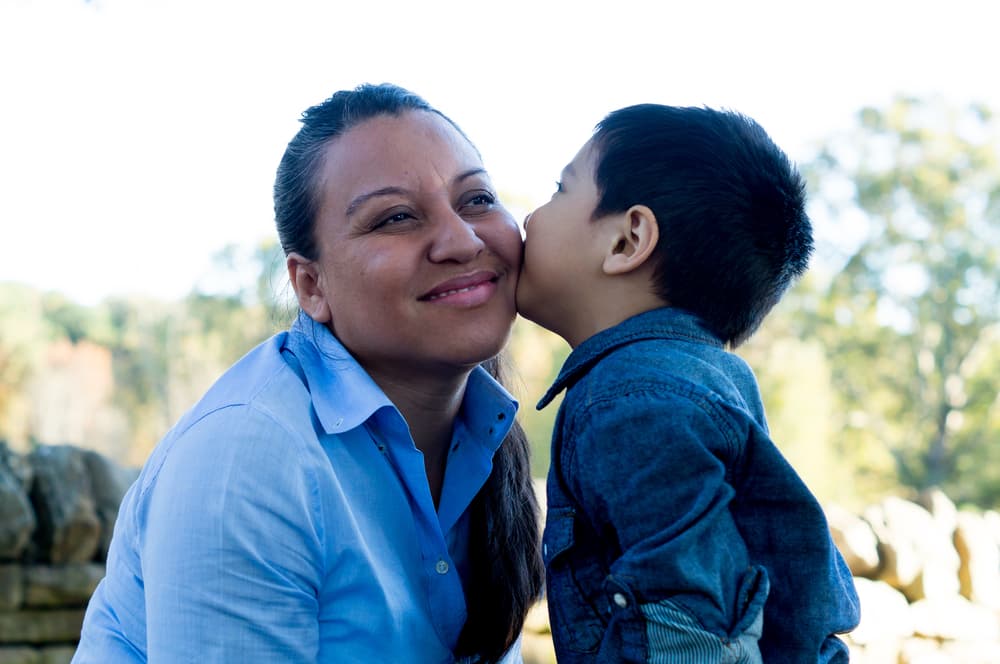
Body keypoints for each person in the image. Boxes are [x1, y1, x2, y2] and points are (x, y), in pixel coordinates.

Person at [73, 83, 544, 663]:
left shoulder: (482, 439)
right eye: (396, 217)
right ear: (311, 286)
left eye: (475, 199)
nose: (461, 239)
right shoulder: (249, 455)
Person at [517, 104, 860, 663]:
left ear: (627, 241)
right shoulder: (699, 377)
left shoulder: (633, 399)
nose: (530, 218)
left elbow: (690, 632)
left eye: (560, 190)